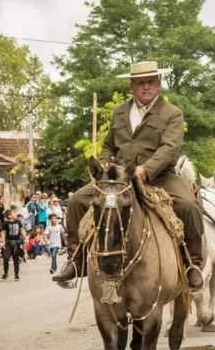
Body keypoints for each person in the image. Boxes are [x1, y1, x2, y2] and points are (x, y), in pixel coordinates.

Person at [54, 61, 206, 292]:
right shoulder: (120, 111)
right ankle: (77, 261)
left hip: (160, 176)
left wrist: (146, 170)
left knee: (188, 205)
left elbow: (169, 148)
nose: (146, 87)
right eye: (141, 83)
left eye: (151, 82)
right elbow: (109, 145)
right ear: (132, 86)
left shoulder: (172, 113)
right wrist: (105, 164)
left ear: (158, 84)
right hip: (120, 177)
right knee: (77, 201)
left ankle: (192, 265)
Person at [1, 208, 25, 281]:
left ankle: (16, 274)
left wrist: (25, 237)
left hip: (16, 242)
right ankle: (5, 273)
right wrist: (3, 242)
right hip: (8, 242)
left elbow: (21, 230)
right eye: (13, 213)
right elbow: (3, 233)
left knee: (16, 259)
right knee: (6, 257)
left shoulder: (18, 222)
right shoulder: (5, 223)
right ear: (9, 216)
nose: (15, 214)